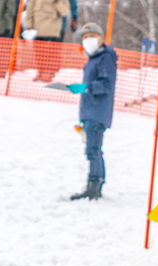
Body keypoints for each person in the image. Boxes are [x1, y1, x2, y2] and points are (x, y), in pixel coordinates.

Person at [68, 23, 115, 201]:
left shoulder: (106, 58)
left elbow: (105, 85)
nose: (88, 40)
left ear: (101, 38)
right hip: (89, 111)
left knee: (93, 150)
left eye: (92, 36)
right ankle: (95, 183)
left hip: (97, 111)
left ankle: (95, 185)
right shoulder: (92, 59)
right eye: (85, 37)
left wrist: (86, 87)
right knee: (92, 149)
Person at [22, 0, 71, 82]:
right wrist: (28, 25)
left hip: (52, 31)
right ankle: (40, 72)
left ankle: (49, 73)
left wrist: (56, 2)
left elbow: (64, 12)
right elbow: (29, 10)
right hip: (37, 30)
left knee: (51, 53)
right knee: (39, 52)